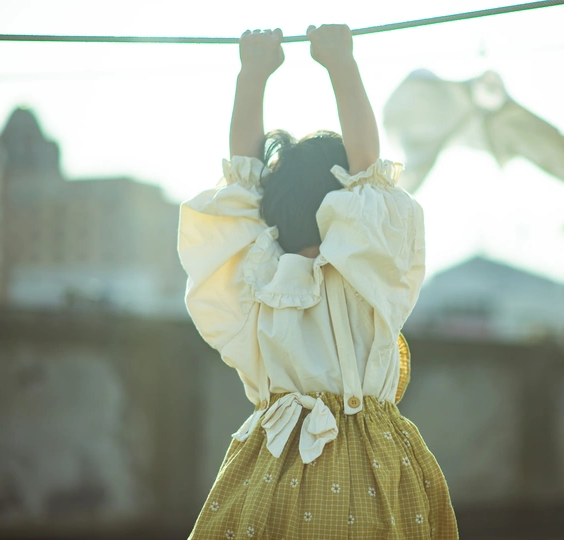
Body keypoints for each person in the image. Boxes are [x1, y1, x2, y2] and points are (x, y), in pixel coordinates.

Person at [177, 25, 459, 539]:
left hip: (271, 467)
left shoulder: (254, 287)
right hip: (369, 472)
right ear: (344, 204)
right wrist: (340, 62)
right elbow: (369, 173)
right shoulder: (364, 276)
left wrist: (252, 74)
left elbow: (241, 185)